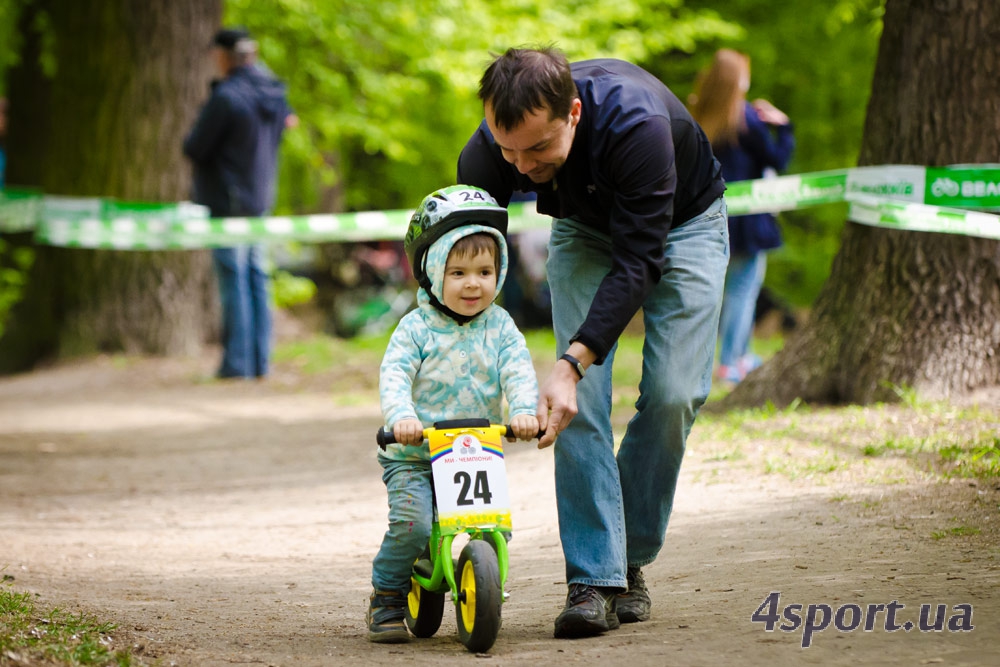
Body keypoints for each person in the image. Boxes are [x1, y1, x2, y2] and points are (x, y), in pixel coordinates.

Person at [457, 47, 729, 638]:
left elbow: (639, 261)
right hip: (583, 230)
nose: (521, 165)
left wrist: (571, 361)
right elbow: (468, 261)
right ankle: (593, 578)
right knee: (573, 407)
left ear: (574, 113)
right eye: (509, 149)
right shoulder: (491, 150)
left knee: (675, 393)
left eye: (538, 149)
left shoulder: (638, 128)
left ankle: (626, 555)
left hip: (682, 227)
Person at [367, 184, 540, 643]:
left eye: (485, 271)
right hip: (416, 455)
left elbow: (518, 370)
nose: (472, 283)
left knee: (491, 523)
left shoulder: (501, 326)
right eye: (458, 271)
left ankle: (480, 582)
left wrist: (524, 410)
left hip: (473, 453)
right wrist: (401, 416)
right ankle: (386, 595)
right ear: (431, 272)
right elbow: (395, 373)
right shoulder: (417, 327)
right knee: (414, 525)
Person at [183, 27, 295, 379]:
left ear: (224, 55)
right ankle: (260, 362)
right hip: (261, 197)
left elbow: (194, 147)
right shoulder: (274, 94)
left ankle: (237, 364)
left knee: (234, 280)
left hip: (227, 202)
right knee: (257, 277)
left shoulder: (227, 97)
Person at [689, 49, 795, 385]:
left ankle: (726, 357)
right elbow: (777, 159)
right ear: (739, 79)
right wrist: (785, 127)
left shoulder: (698, 115)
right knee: (743, 289)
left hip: (708, 214)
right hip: (747, 220)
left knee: (713, 291)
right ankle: (733, 360)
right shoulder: (745, 118)